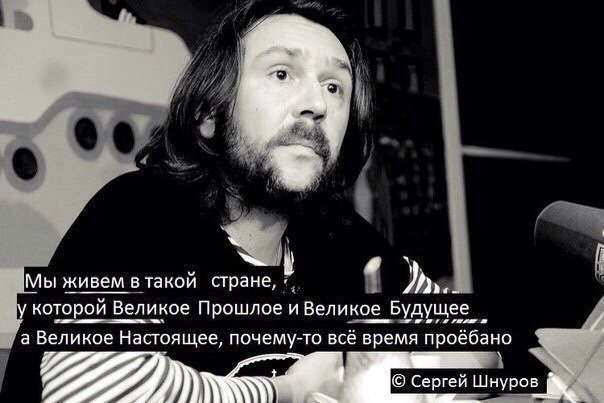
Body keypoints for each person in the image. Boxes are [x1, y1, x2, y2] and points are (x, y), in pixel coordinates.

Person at [1, 1, 497, 402]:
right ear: (209, 115)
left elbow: (480, 346)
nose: (317, 104)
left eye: (334, 86)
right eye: (282, 74)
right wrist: (290, 391)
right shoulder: (137, 212)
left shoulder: (342, 239)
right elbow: (93, 387)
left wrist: (387, 376)